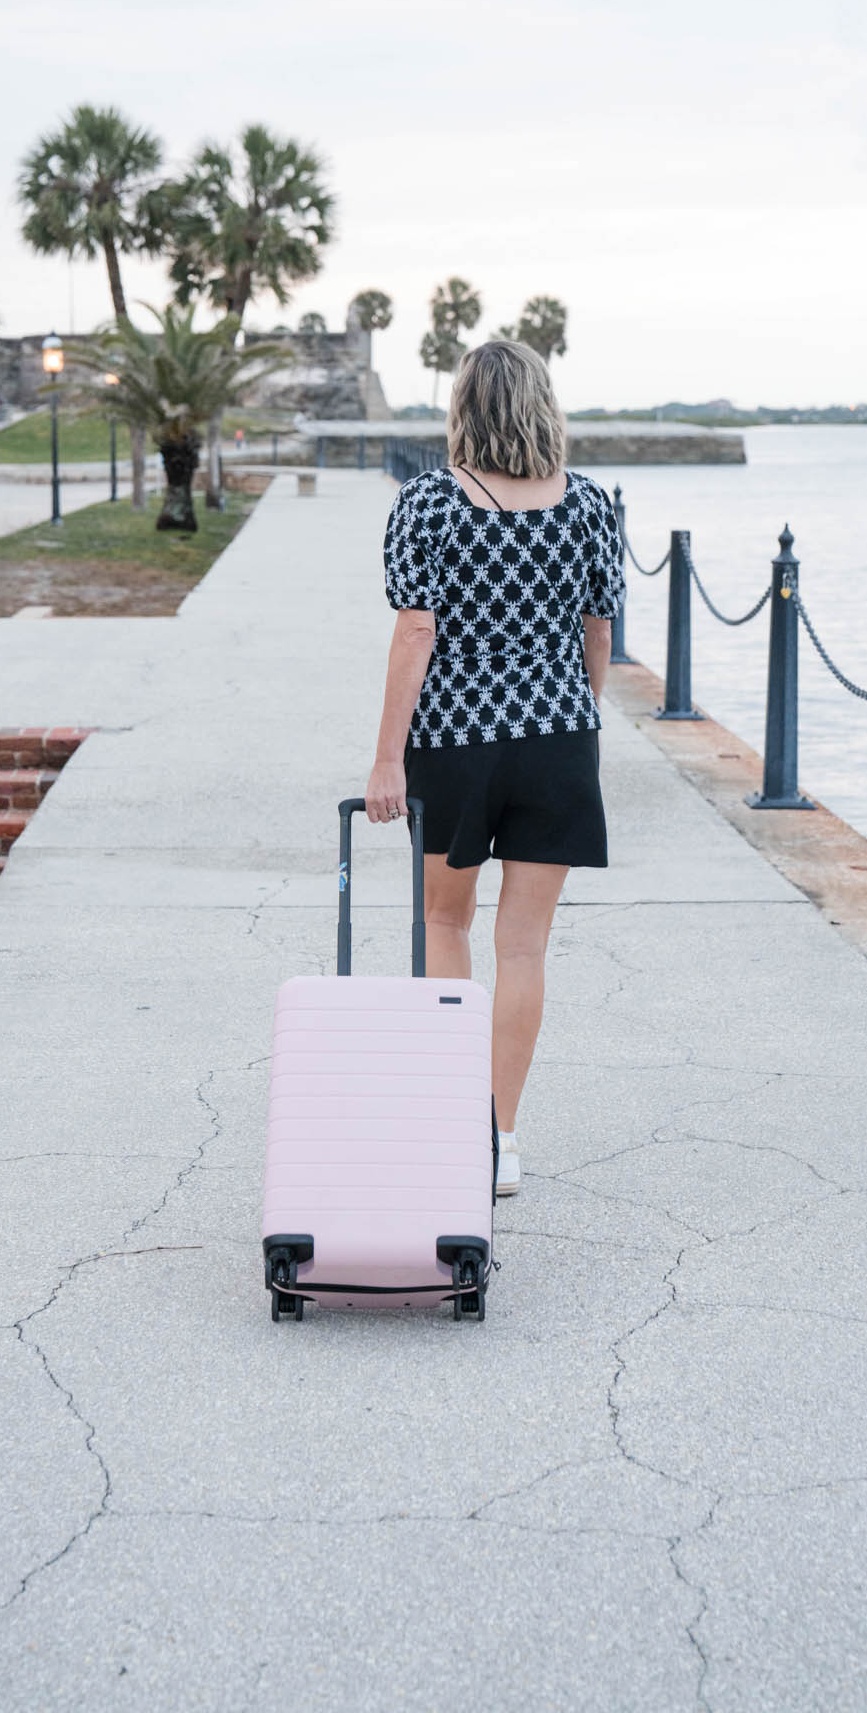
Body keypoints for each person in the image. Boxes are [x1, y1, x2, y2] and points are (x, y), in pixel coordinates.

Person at [365, 340, 626, 1195]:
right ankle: (499, 1141)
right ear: (541, 404)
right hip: (556, 742)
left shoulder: (431, 503)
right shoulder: (587, 505)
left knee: (447, 926)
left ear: (463, 407)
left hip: (454, 743)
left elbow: (415, 632)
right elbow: (598, 634)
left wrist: (385, 762)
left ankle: (450, 1132)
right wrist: (572, 719)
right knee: (524, 945)